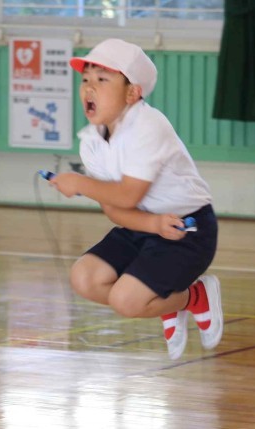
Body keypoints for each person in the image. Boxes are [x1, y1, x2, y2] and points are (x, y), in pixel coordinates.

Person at [49, 38, 223, 359]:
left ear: (132, 93)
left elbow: (128, 194)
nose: (89, 88)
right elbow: (115, 210)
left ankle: (194, 296)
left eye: (102, 79)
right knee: (84, 278)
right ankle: (164, 301)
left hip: (187, 230)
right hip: (143, 226)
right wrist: (152, 224)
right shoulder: (90, 142)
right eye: (85, 79)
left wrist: (81, 184)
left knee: (126, 301)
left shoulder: (148, 125)